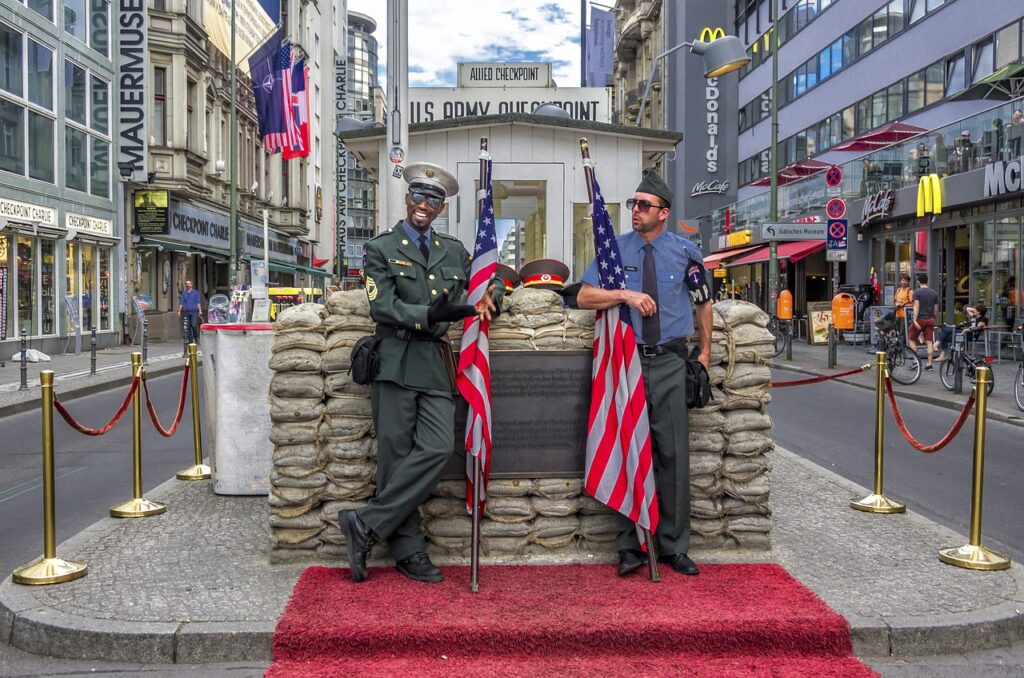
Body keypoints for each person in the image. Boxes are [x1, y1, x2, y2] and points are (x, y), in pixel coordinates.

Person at [338, 162, 501, 585]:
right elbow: (382, 305)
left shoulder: (453, 249)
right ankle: (408, 549)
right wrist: (429, 313)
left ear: (442, 207)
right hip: (393, 358)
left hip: (433, 364)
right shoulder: (380, 248)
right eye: (418, 196)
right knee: (394, 460)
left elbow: (486, 281)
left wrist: (490, 297)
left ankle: (365, 522)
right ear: (407, 198)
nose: (424, 205)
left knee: (436, 446)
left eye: (434, 199)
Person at [576, 169, 713, 578]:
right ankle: (631, 547)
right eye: (633, 204)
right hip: (627, 362)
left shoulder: (686, 252)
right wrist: (624, 294)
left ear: (664, 212)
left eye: (643, 205)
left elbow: (702, 302)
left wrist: (704, 353)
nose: (635, 211)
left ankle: (673, 546)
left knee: (672, 454)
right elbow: (583, 296)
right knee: (628, 449)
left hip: (671, 361)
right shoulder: (614, 250)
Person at [908, 273, 940, 370]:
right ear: (927, 281)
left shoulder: (916, 292)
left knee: (911, 339)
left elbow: (916, 306)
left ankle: (915, 361)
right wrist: (934, 318)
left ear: (918, 282)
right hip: (930, 319)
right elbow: (936, 308)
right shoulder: (934, 293)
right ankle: (929, 364)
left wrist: (914, 320)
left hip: (920, 319)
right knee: (929, 342)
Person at [177, 279, 202, 345]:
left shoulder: (196, 293)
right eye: (186, 284)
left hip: (194, 311)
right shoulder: (184, 293)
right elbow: (181, 302)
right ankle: (190, 341)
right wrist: (179, 311)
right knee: (187, 326)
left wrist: (200, 311)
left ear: (191, 285)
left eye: (188, 284)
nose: (187, 285)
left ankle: (197, 338)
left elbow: (198, 302)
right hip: (186, 311)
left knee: (193, 325)